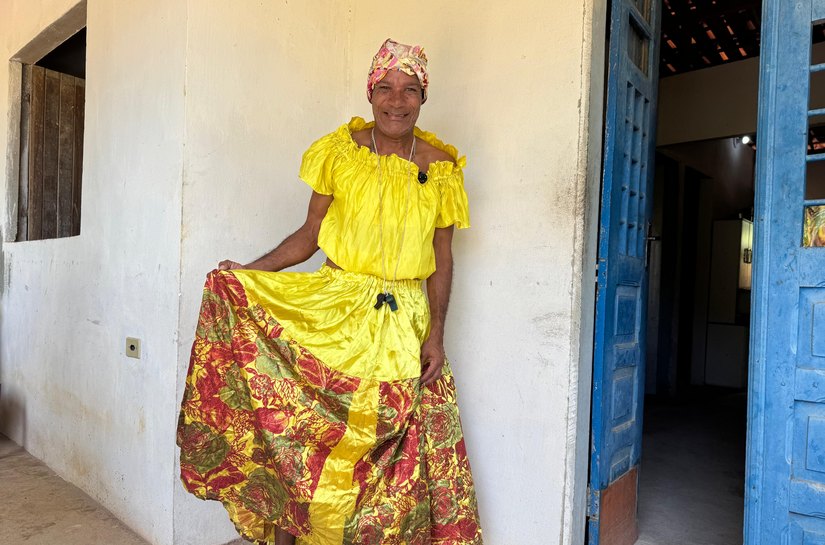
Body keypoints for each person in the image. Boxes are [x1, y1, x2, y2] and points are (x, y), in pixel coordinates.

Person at [177, 38, 482, 545]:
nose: (396, 100)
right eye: (385, 87)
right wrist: (248, 272)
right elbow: (308, 235)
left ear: (424, 97)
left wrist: (436, 333)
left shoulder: (441, 167)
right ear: (369, 92)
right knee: (300, 431)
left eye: (409, 90)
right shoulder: (340, 152)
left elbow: (442, 259)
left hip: (403, 322)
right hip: (335, 310)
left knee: (394, 452)